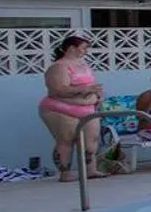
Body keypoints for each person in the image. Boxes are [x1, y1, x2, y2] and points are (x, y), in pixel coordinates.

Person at [38, 33, 104, 182]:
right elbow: (58, 89)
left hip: (87, 109)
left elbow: (90, 85)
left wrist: (98, 96)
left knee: (91, 139)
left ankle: (91, 170)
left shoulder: (83, 65)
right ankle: (65, 173)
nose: (86, 51)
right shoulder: (58, 66)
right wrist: (86, 90)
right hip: (61, 109)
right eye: (84, 48)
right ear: (71, 48)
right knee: (66, 140)